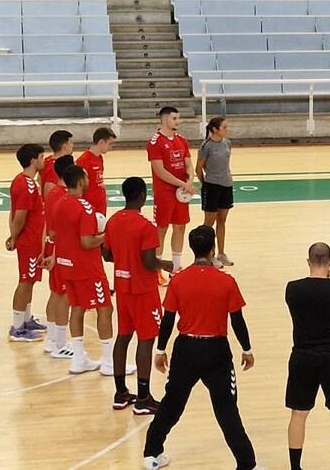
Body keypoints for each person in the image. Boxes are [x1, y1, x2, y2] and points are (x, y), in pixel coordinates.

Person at [143, 226, 262, 470]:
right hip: (216, 351)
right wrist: (247, 349)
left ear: (191, 248)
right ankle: (246, 464)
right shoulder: (226, 281)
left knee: (172, 403)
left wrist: (161, 349)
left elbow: (168, 318)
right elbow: (237, 320)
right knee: (226, 410)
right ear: (212, 250)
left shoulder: (178, 280)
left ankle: (151, 453)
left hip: (185, 349)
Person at [103, 177, 172, 415]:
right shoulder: (146, 225)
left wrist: (125, 257)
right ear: (142, 195)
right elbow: (149, 262)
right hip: (143, 290)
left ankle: (121, 392)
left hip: (122, 287)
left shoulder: (113, 221)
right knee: (146, 339)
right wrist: (167, 264)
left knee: (123, 337)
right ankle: (143, 397)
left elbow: (107, 255)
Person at [285, 243, 330, 470]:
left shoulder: (293, 289)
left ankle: (295, 467)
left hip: (303, 357)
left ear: (308, 262)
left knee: (299, 413)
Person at [52, 164, 118, 375]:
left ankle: (79, 360)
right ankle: (108, 362)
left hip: (65, 265)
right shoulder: (86, 208)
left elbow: (55, 234)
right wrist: (107, 235)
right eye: (87, 177)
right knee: (105, 308)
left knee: (77, 308)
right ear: (80, 182)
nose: (89, 180)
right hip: (87, 267)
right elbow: (87, 242)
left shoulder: (59, 203)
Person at [5, 143, 48, 342]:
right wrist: (14, 237)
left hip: (32, 239)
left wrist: (12, 234)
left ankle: (26, 318)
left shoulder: (25, 182)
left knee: (30, 280)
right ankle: (17, 327)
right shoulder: (25, 184)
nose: (43, 160)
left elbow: (13, 212)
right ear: (33, 160)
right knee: (25, 281)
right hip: (28, 241)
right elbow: (19, 216)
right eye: (41, 157)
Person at [148, 106, 197, 278]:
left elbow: (189, 164)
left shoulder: (182, 140)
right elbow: (160, 171)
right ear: (164, 119)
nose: (178, 121)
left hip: (181, 193)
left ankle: (175, 267)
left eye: (178, 118)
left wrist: (190, 180)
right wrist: (184, 184)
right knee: (161, 229)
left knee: (180, 227)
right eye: (174, 118)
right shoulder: (154, 142)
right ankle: (157, 269)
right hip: (164, 193)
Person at [42, 154, 77, 357]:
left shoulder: (52, 192)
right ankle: (61, 343)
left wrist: (43, 249)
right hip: (60, 250)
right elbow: (59, 231)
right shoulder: (64, 196)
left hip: (50, 246)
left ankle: (53, 340)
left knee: (55, 292)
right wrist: (55, 254)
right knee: (64, 295)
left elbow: (46, 226)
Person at [197, 116, 236, 267]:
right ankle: (208, 255)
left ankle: (221, 253)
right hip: (212, 186)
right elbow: (198, 168)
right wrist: (206, 184)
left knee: (222, 221)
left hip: (227, 185)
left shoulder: (228, 143)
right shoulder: (206, 146)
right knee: (208, 223)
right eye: (224, 127)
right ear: (214, 129)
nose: (227, 130)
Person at [76, 126, 116, 216]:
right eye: (110, 144)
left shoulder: (99, 158)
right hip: (90, 208)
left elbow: (99, 180)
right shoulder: (83, 161)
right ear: (101, 142)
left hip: (101, 207)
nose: (111, 147)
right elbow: (78, 187)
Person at [41, 129, 74, 196]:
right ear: (65, 146)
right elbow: (48, 191)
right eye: (71, 143)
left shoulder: (46, 161)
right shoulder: (56, 166)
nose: (73, 145)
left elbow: (39, 180)